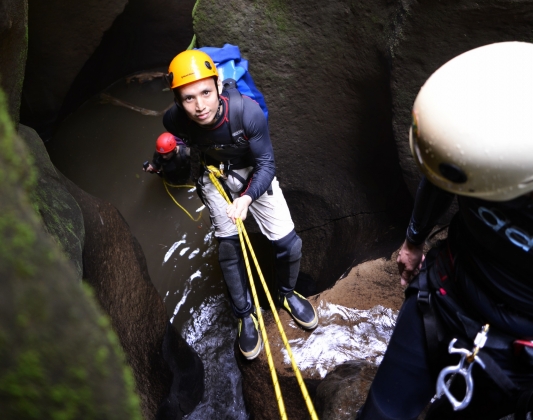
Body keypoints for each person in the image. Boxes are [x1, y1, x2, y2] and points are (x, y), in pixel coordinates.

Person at [358, 41, 533, 420]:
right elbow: (443, 171)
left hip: (519, 355)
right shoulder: (485, 122)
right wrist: (413, 240)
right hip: (442, 298)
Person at [161, 48, 318, 360]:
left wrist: (246, 198)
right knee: (229, 249)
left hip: (253, 174)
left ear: (218, 86)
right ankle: (244, 315)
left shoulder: (247, 113)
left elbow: (267, 165)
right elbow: (190, 142)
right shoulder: (174, 120)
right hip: (215, 173)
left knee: (289, 244)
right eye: (188, 98)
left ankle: (286, 294)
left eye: (205, 92)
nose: (199, 106)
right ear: (178, 100)